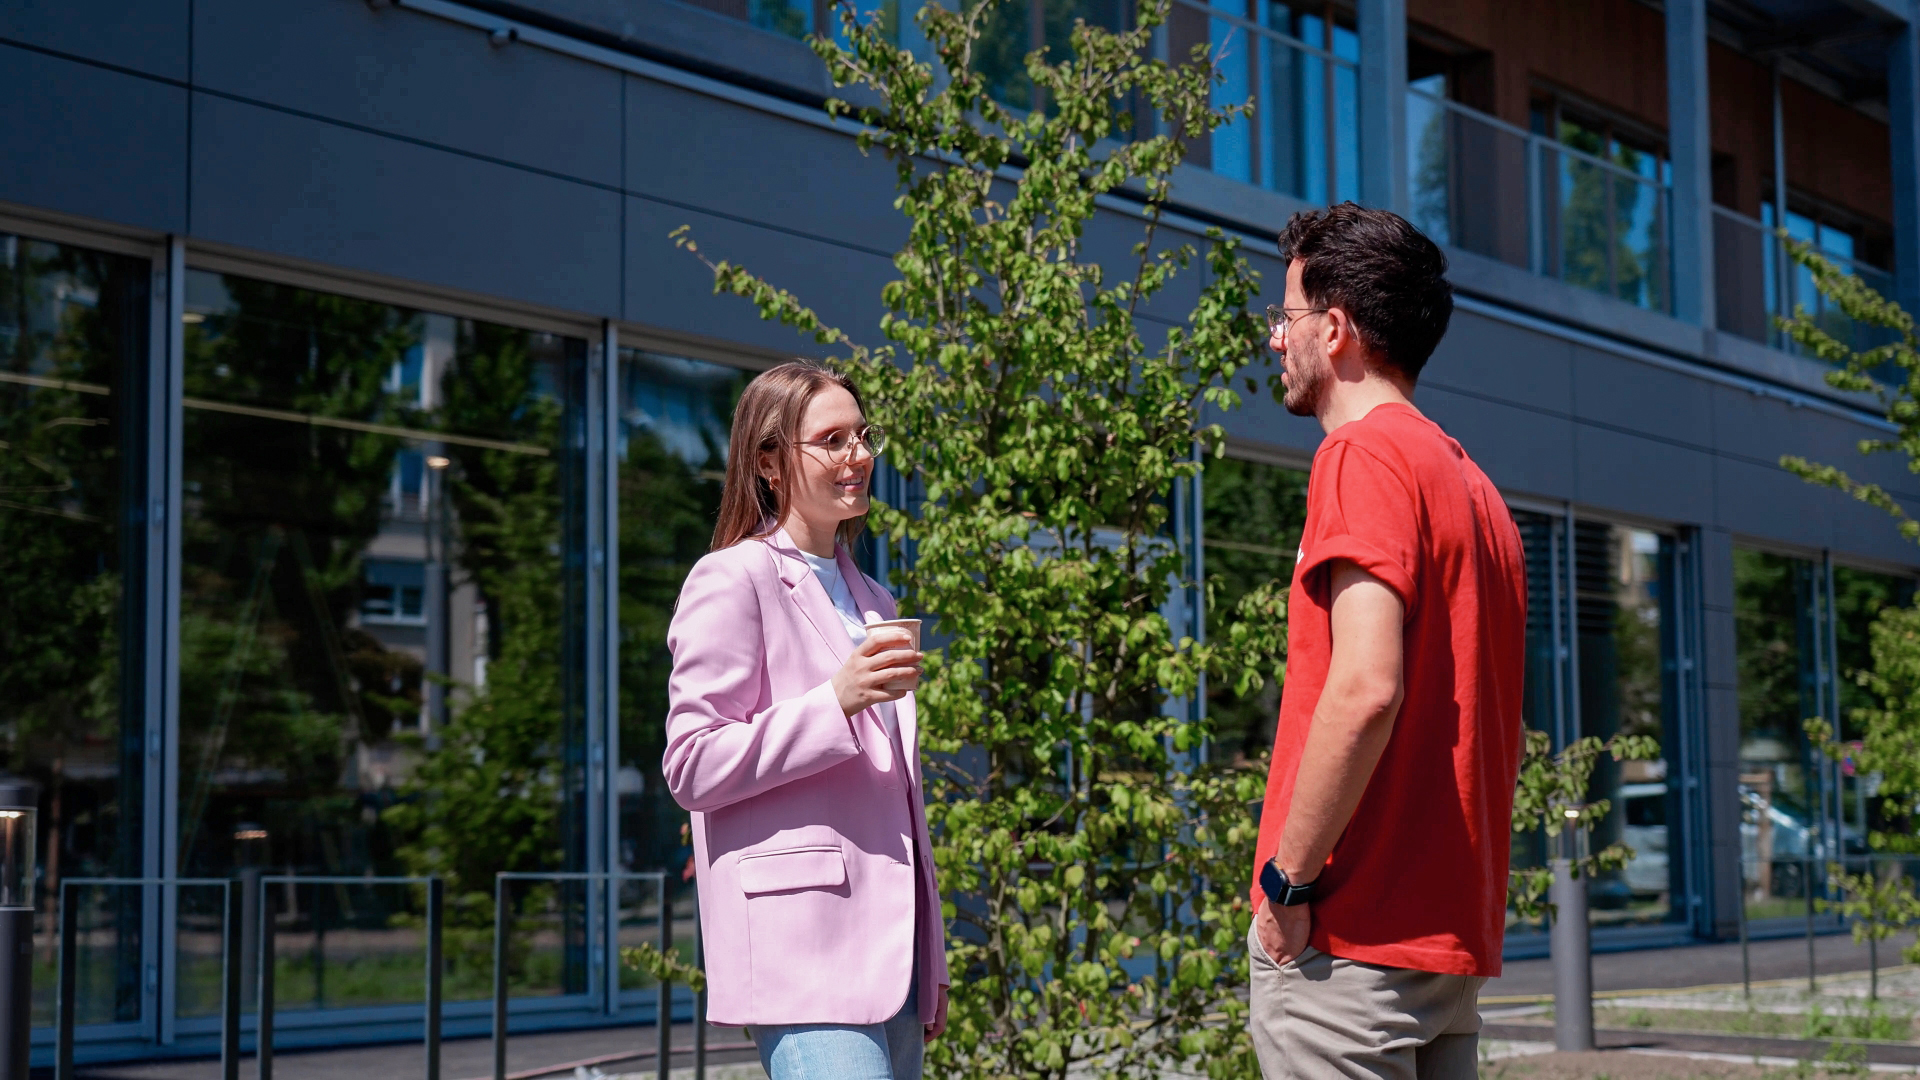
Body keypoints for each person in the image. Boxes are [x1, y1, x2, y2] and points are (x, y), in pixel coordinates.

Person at [1246, 203, 1527, 1079]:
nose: (1272, 340)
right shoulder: (1474, 487)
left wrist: (1286, 886)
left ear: (1334, 331)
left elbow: (1367, 687)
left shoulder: (1361, 458)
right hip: (1443, 943)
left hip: (1348, 936)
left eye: (1285, 317)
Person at [663, 360, 949, 1080]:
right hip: (801, 946)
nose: (858, 456)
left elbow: (895, 802)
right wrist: (835, 701)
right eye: (831, 440)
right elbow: (690, 763)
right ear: (768, 462)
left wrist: (930, 951)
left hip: (894, 949)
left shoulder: (877, 601)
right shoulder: (732, 577)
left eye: (862, 435)